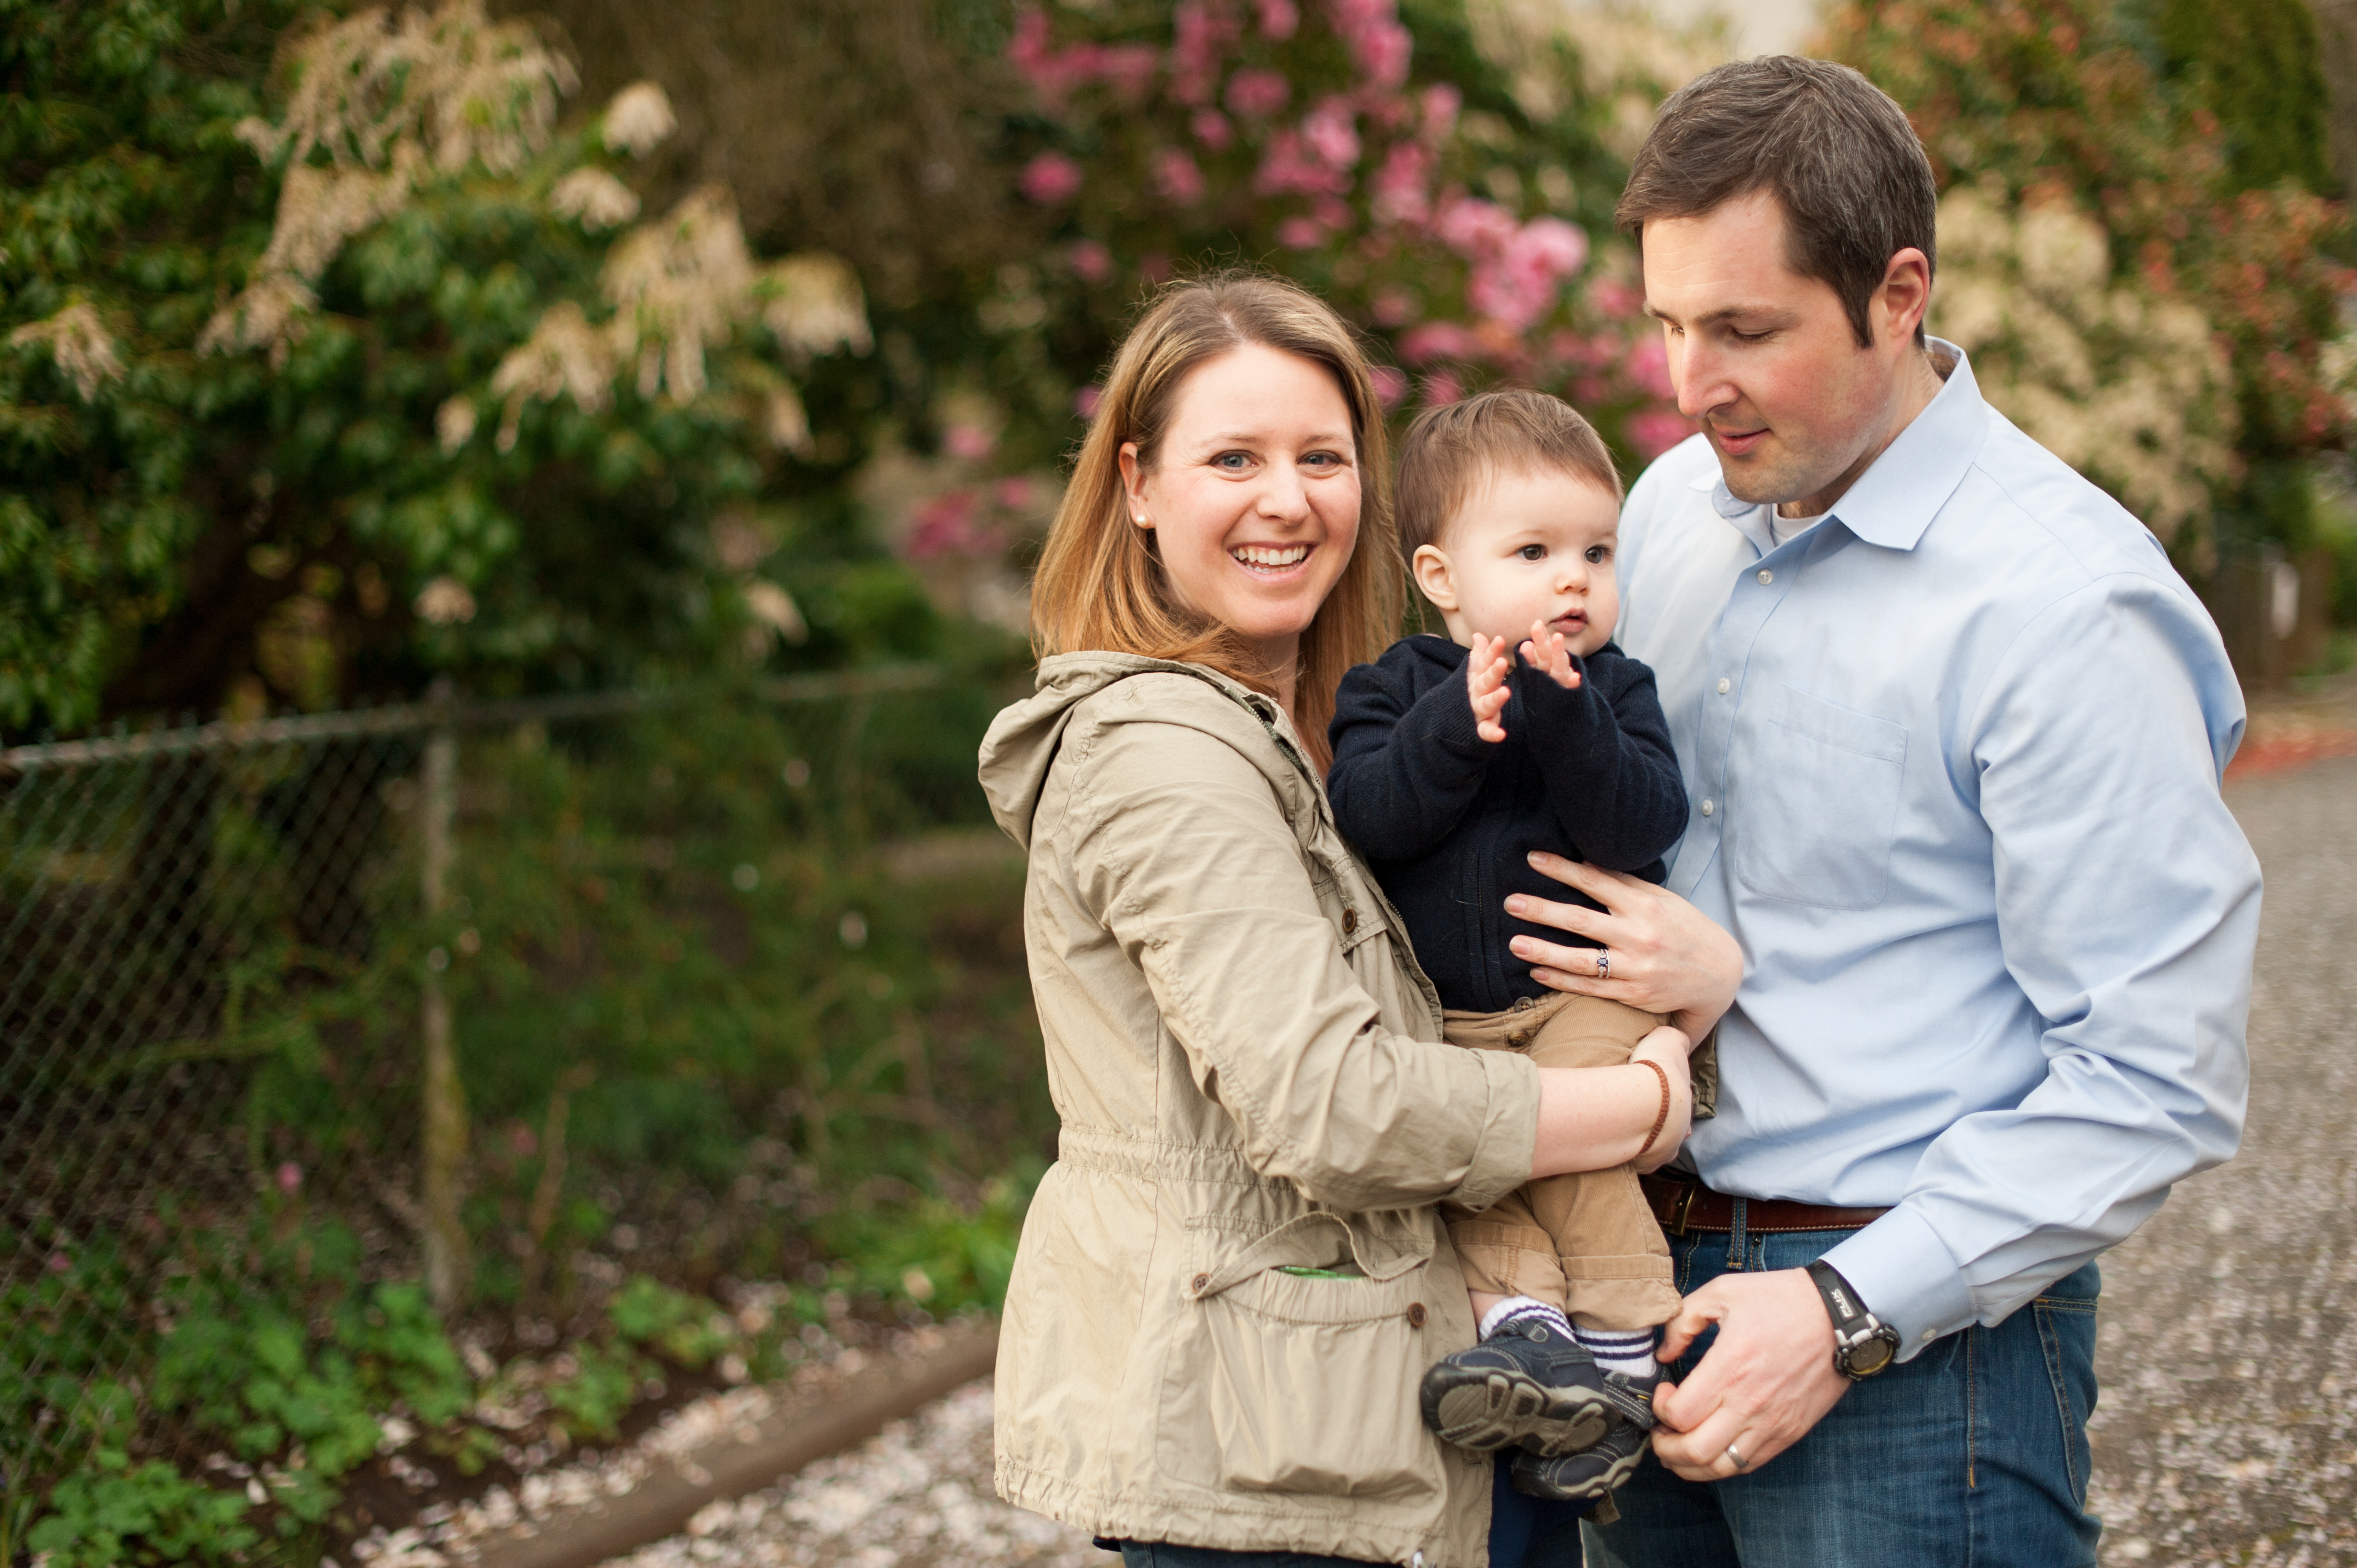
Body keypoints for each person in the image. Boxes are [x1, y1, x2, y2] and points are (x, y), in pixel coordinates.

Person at [1506, 57, 2261, 1566]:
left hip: (1918, 1356)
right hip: (1634, 1289)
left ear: (1898, 292)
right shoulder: (1659, 519)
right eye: (1665, 324)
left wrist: (1846, 1312)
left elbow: (2154, 1073)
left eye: (1744, 330)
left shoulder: (2065, 604)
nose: (1686, 381)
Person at [976, 271, 1736, 1568]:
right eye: (1233, 457)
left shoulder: (1310, 730)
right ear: (1137, 485)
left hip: (1374, 1409)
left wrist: (1695, 979)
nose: (1288, 498)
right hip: (1269, 1453)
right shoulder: (1167, 755)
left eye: (1321, 457)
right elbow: (1330, 1104)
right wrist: (1647, 1108)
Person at [1325, 389, 1711, 1507]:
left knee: (1575, 1146)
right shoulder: (1393, 689)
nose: (1574, 578)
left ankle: (1628, 1347)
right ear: (1444, 578)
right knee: (1473, 1162)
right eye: (1535, 550)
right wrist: (1456, 725)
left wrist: (1568, 717)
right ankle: (1530, 1338)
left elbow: (1644, 823)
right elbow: (1372, 817)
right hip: (1449, 1020)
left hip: (1581, 998)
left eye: (1597, 550)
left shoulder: (1617, 689)